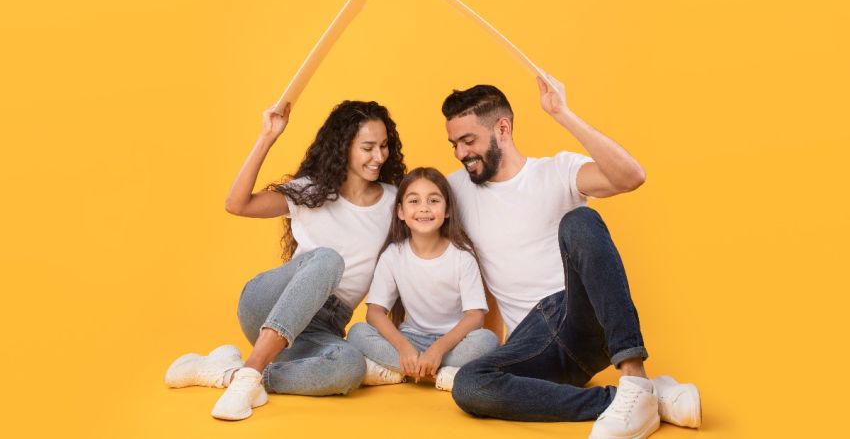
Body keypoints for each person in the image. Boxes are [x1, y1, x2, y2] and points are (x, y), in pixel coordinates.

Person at [442, 77, 701, 438]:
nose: (460, 153)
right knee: (469, 385)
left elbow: (631, 176)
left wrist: (562, 113)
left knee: (580, 221)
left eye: (468, 141)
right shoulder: (455, 190)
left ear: (503, 128)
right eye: (454, 144)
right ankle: (634, 400)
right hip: (532, 346)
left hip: (578, 315)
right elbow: (404, 213)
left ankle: (635, 377)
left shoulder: (556, 171)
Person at [164, 99, 406, 420]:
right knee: (329, 260)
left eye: (384, 146)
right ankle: (251, 371)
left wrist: (402, 345)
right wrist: (267, 136)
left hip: (324, 325)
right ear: (344, 147)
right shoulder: (310, 192)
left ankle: (227, 373)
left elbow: (403, 273)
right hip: (269, 304)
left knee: (349, 367)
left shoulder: (396, 202)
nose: (379, 156)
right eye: (368, 147)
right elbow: (237, 204)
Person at [347, 167, 499, 392]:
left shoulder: (462, 257)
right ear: (400, 211)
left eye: (434, 200)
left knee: (487, 342)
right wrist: (403, 348)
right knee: (357, 333)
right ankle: (443, 375)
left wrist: (437, 349)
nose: (424, 208)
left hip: (452, 344)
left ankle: (399, 372)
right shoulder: (393, 255)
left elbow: (475, 316)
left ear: (447, 210)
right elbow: (375, 312)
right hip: (410, 340)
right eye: (414, 201)